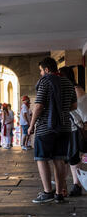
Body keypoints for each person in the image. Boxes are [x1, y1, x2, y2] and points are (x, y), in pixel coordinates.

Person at [28, 57, 77, 203]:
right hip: (64, 127)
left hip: (46, 127)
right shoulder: (68, 83)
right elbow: (74, 106)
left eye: (41, 71)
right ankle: (59, 194)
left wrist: (31, 125)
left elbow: (38, 106)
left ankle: (47, 192)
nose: (41, 74)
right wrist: (60, 110)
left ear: (47, 70)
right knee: (59, 159)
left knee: (41, 158)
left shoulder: (46, 81)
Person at [60, 66, 86, 197]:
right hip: (69, 128)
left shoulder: (77, 90)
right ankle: (73, 184)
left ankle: (77, 185)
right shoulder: (69, 90)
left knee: (73, 157)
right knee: (70, 157)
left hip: (76, 128)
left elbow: (84, 112)